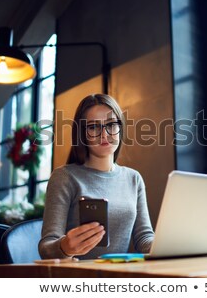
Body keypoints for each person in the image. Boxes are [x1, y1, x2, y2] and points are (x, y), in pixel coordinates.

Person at [39, 94, 154, 259]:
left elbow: (144, 239)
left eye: (111, 125)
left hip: (119, 277)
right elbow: (46, 248)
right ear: (82, 133)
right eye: (93, 127)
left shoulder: (133, 178)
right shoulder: (64, 177)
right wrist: (65, 247)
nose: (105, 134)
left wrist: (168, 245)